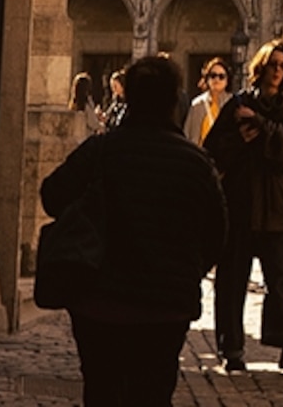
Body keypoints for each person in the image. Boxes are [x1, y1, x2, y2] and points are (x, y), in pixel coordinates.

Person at [38, 48, 227, 407]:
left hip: (100, 301)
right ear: (173, 101)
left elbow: (52, 195)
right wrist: (184, 271)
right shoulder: (196, 164)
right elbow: (217, 235)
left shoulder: (101, 151)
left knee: (102, 392)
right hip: (166, 307)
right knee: (152, 394)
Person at [205, 35, 283, 371]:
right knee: (232, 278)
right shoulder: (237, 104)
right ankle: (231, 348)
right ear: (261, 68)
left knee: (277, 278)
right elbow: (214, 149)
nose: (277, 71)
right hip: (241, 201)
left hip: (276, 206)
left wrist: (261, 125)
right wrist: (241, 138)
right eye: (272, 65)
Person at [185, 57, 231, 144]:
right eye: (213, 75)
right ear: (207, 78)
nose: (217, 79)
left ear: (227, 80)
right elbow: (189, 135)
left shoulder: (232, 103)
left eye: (221, 76)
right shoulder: (197, 104)